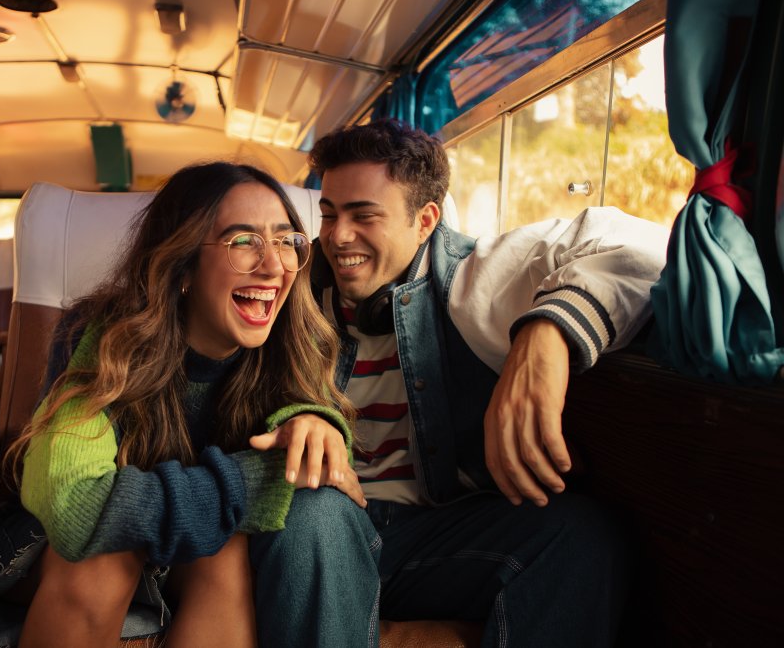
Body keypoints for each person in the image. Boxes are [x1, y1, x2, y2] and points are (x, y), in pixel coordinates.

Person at [250, 118, 670, 647]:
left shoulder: (479, 276)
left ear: (425, 220)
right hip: (325, 527)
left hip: (440, 532)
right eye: (329, 214)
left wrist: (545, 335)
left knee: (581, 535)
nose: (336, 237)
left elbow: (648, 247)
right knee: (308, 508)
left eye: (364, 216)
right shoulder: (288, 287)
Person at [0, 161, 375, 648]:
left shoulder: (295, 339)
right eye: (243, 241)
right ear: (182, 266)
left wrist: (316, 424)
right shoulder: (102, 339)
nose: (275, 265)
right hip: (58, 549)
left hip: (188, 557)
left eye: (286, 241)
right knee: (108, 558)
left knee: (225, 553)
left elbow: (318, 421)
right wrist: (254, 480)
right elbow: (74, 511)